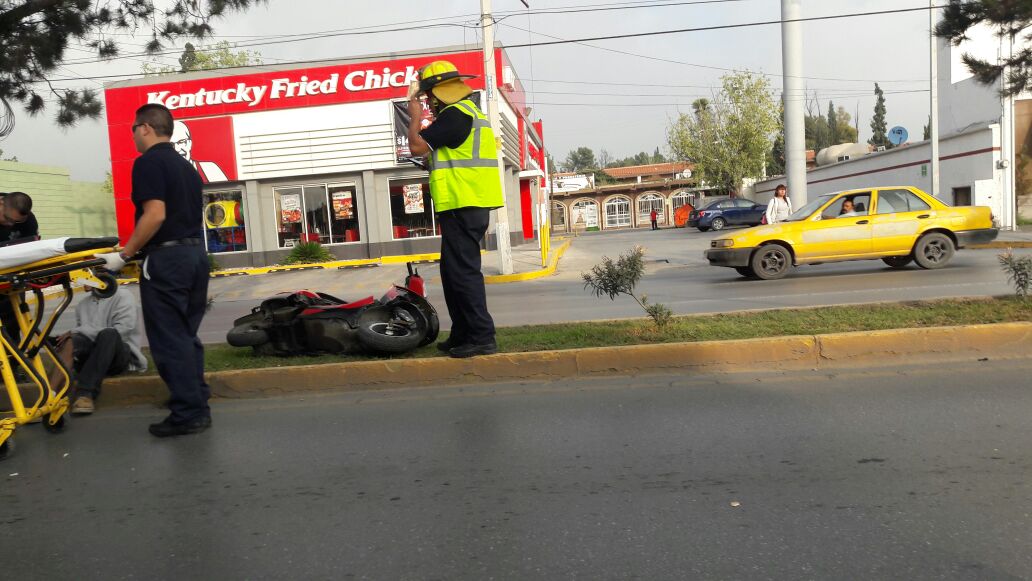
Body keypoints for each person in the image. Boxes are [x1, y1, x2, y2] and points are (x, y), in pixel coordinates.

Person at [96, 103, 211, 437]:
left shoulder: (148, 163)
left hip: (167, 260)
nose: (132, 135)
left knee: (169, 339)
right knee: (186, 335)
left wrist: (124, 254)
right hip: (194, 256)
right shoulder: (186, 167)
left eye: (133, 128)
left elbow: (155, 215)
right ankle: (195, 400)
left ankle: (189, 413)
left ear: (145, 127)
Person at [404, 60, 503, 358]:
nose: (429, 103)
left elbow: (417, 147)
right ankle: (462, 334)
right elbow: (438, 155)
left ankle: (482, 336)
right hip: (464, 203)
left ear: (437, 94)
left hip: (464, 203)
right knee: (452, 272)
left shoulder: (455, 114)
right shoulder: (464, 113)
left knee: (463, 273)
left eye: (429, 97)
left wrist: (415, 116)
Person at [58, 285, 148, 415]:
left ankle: (85, 394)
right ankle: (49, 395)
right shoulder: (82, 305)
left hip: (119, 357)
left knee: (109, 334)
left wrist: (77, 331)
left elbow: (123, 330)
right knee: (71, 340)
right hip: (93, 358)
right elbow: (84, 336)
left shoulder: (123, 296)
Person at [0, 192, 39, 347]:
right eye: (8, 219)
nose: (11, 225)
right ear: (1, 203)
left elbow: (32, 249)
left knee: (13, 321)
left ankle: (13, 362)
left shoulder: (28, 221)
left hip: (12, 278)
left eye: (17, 222)